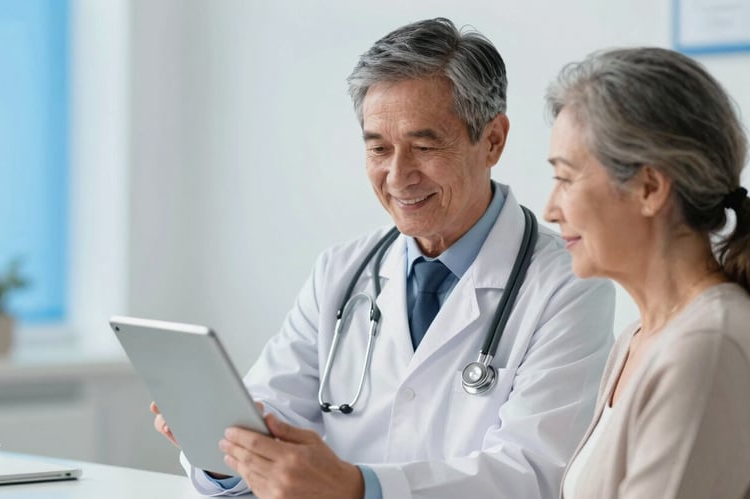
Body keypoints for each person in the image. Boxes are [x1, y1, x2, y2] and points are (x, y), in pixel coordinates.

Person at [154, 18, 615, 498]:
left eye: (423, 146)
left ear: (493, 140)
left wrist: (362, 488)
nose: (398, 177)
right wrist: (225, 452)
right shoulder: (341, 272)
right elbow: (272, 410)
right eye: (378, 148)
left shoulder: (569, 283)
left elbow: (534, 473)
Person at [543, 47, 750, 499]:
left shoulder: (707, 346)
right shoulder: (635, 341)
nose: (550, 209)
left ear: (649, 188)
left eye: (566, 178)